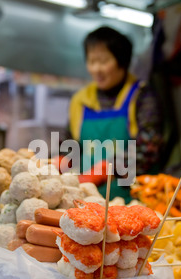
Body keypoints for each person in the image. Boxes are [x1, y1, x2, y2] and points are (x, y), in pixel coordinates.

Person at [68, 26, 164, 202]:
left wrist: (106, 169)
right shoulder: (80, 100)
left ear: (122, 61)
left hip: (134, 201)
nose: (96, 69)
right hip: (86, 200)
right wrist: (60, 160)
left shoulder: (142, 96)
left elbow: (148, 150)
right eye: (91, 61)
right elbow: (72, 145)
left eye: (104, 61)